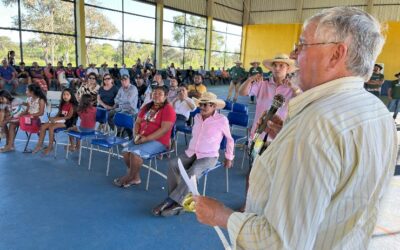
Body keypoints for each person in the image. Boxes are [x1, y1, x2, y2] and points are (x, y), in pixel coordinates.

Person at [194, 7, 397, 250]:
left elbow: (280, 242)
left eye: (302, 45)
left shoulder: (316, 125)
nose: (294, 54)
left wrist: (221, 216)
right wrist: (290, 142)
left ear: (336, 54)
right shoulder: (377, 111)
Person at [152, 92, 234, 217]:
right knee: (173, 164)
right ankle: (179, 201)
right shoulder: (197, 117)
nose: (201, 107)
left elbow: (229, 139)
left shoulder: (222, 120)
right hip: (192, 152)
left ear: (214, 106)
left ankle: (171, 201)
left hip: (209, 155)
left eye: (205, 105)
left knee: (193, 172)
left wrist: (229, 157)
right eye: (201, 104)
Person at [113, 85, 176, 187]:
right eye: (155, 93)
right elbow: (137, 122)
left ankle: (129, 177)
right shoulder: (147, 106)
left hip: (159, 141)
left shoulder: (168, 110)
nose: (156, 95)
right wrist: (136, 135)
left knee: (135, 153)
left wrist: (146, 139)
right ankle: (135, 178)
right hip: (141, 137)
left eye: (160, 94)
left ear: (165, 96)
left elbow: (164, 130)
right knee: (125, 151)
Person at [239, 53, 300, 140]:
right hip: (258, 132)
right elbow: (242, 92)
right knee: (254, 153)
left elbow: (304, 102)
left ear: (288, 68)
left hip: (279, 135)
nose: (277, 68)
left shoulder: (292, 88)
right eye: (275, 65)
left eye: (281, 65)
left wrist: (294, 88)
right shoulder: (262, 84)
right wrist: (250, 79)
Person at [1, 84, 47, 153]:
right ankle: (10, 145)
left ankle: (9, 145)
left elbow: (41, 113)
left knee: (11, 123)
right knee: (11, 124)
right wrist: (21, 114)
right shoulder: (28, 99)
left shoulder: (41, 100)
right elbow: (27, 111)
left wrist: (29, 115)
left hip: (37, 120)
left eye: (27, 90)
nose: (25, 92)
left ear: (32, 92)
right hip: (28, 119)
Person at [32, 88, 77, 155]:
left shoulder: (72, 105)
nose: (65, 96)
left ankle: (50, 147)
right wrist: (53, 118)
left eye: (67, 94)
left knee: (51, 127)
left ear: (71, 96)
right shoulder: (62, 104)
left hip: (68, 122)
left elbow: (68, 117)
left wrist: (56, 119)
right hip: (60, 120)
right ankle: (39, 145)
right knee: (43, 126)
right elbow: (59, 114)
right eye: (64, 94)